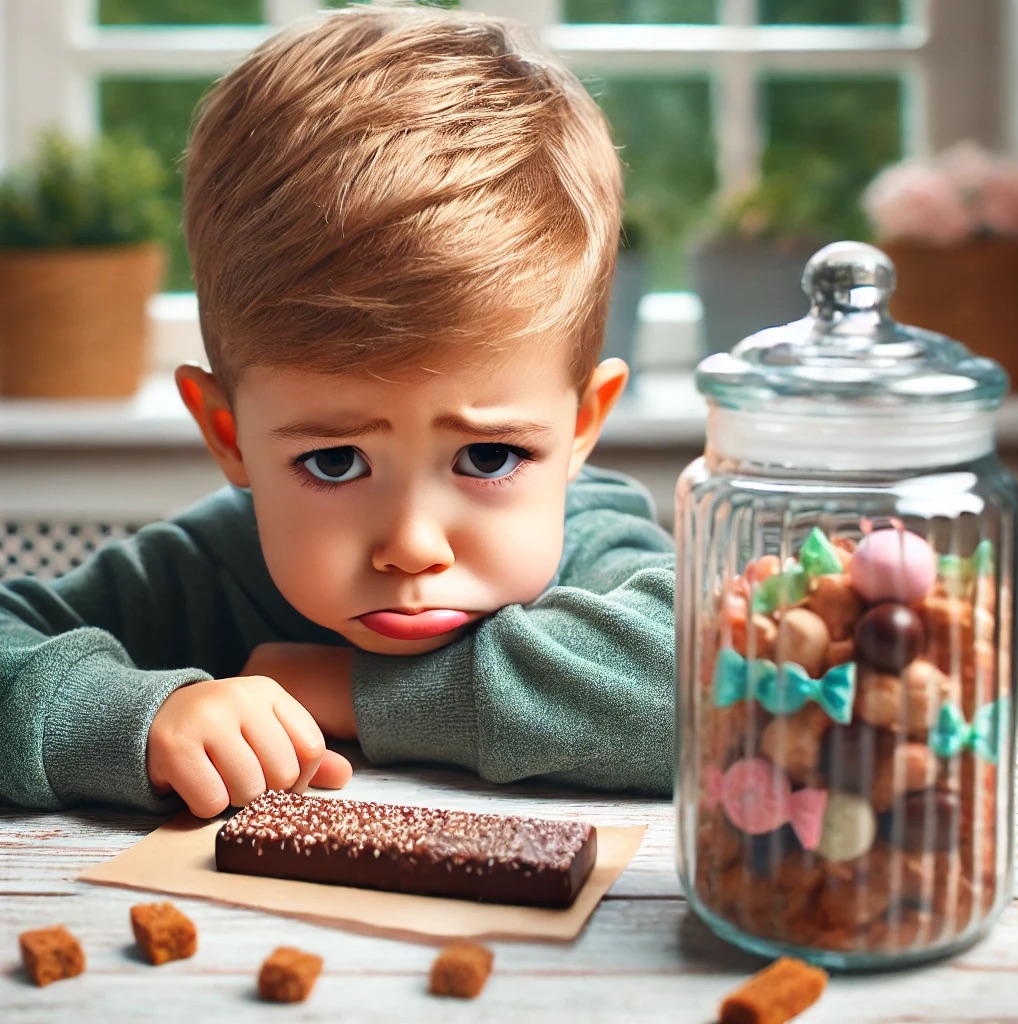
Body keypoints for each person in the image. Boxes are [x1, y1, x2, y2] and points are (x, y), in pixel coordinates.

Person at [0, 3, 674, 819]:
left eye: (488, 457)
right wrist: (141, 720)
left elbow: (706, 688)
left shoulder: (599, 545)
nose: (413, 546)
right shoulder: (209, 570)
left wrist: (341, 687)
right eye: (335, 461)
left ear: (582, 425)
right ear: (228, 434)